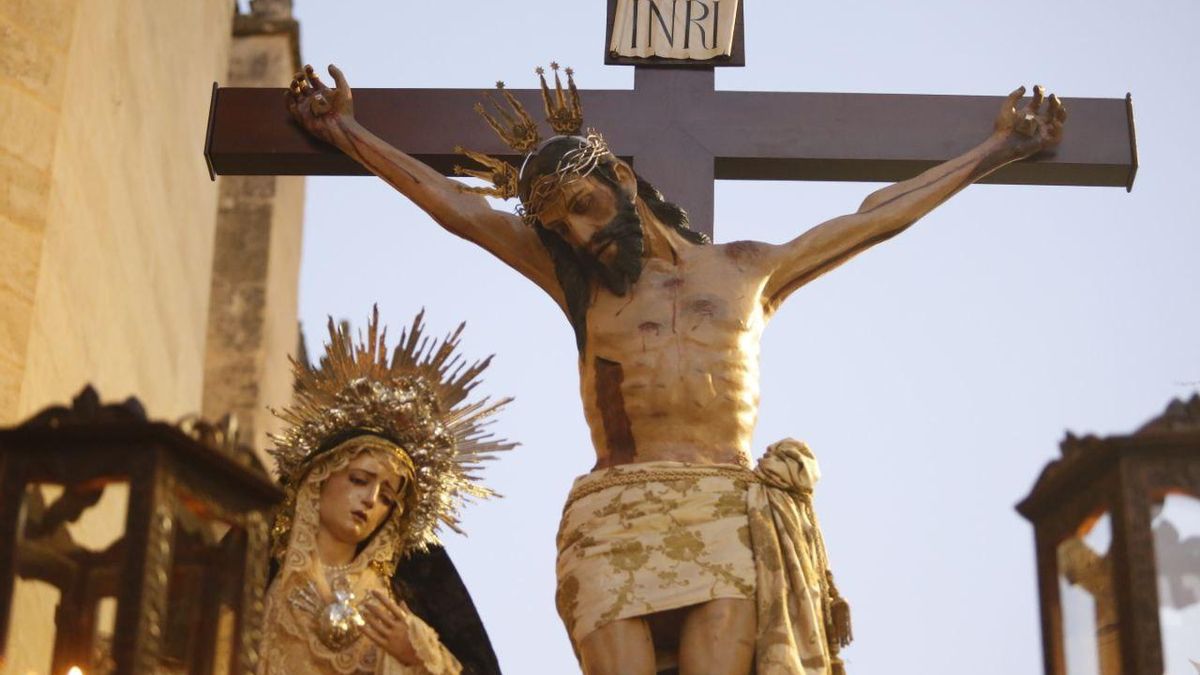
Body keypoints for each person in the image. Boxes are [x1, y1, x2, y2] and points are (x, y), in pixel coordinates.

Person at [285, 63, 1066, 674]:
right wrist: (349, 131)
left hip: (724, 508)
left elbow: (876, 217)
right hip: (616, 509)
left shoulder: (749, 272)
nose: (582, 235)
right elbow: (459, 208)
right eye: (560, 226)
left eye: (585, 207)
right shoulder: (578, 289)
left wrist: (999, 148)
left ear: (621, 180)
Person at [259, 308, 512, 675]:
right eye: (360, 480)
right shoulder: (262, 567)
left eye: (389, 498)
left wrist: (417, 657)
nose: (371, 500)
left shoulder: (396, 608)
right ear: (320, 480)